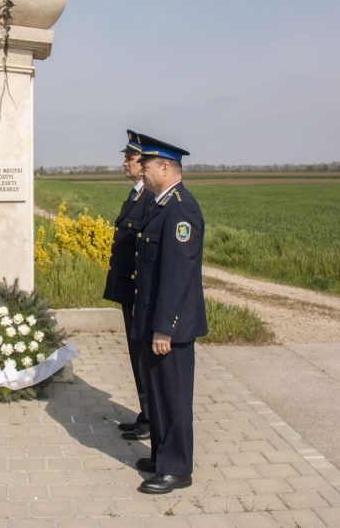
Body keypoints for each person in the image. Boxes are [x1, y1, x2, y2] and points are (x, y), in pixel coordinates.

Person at [130, 133, 207, 495]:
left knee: (174, 396)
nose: (141, 171)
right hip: (153, 320)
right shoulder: (160, 205)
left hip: (169, 326)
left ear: (165, 167)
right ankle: (162, 455)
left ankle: (178, 468)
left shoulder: (181, 209)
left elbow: (178, 276)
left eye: (146, 166)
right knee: (160, 395)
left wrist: (165, 328)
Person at [102, 130, 155, 442]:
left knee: (144, 356)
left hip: (137, 292)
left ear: (143, 162)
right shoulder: (137, 194)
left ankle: (151, 417)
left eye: (130, 158)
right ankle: (145, 413)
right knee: (136, 356)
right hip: (128, 290)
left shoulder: (148, 198)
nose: (124, 162)